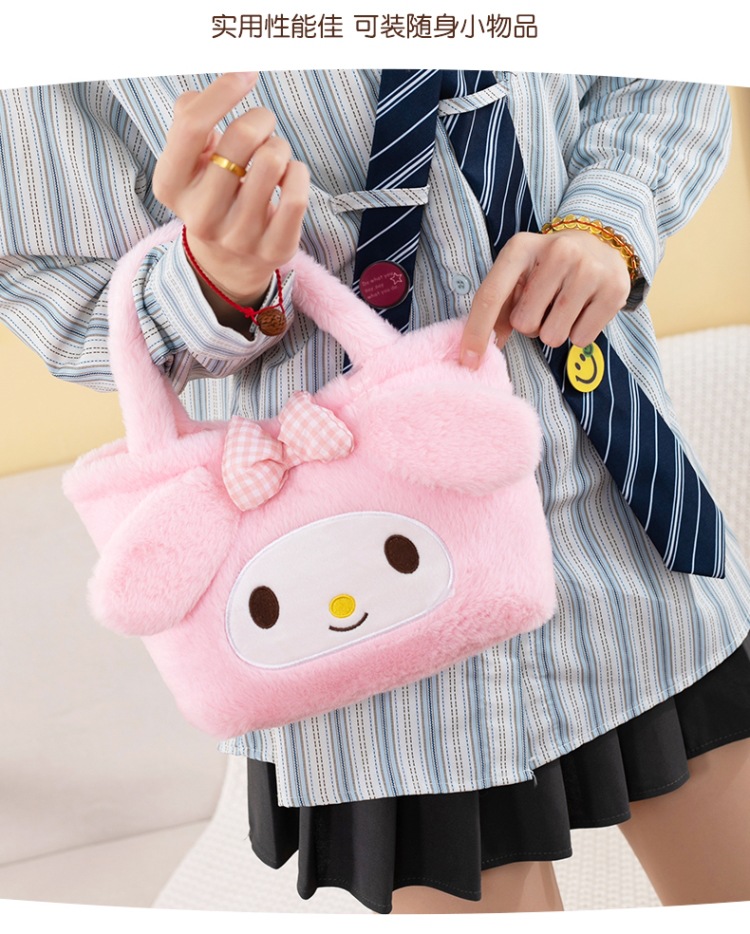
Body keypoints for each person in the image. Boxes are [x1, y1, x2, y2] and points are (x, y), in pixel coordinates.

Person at [1, 70, 750, 914]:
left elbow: (660, 69)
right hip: (366, 636)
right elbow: (60, 290)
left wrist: (606, 220)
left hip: (618, 508)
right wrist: (214, 279)